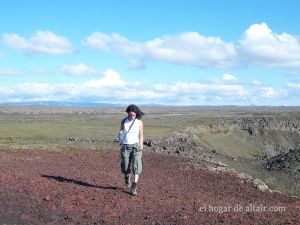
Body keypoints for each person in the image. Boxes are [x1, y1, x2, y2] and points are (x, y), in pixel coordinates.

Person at [119, 104, 144, 196]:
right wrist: (121, 133)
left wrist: (141, 144)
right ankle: (127, 177)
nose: (132, 116)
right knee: (125, 167)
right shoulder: (123, 121)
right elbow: (121, 133)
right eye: (130, 115)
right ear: (127, 114)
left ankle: (134, 187)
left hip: (136, 146)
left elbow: (141, 135)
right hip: (125, 146)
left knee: (136, 167)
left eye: (134, 115)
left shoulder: (139, 123)